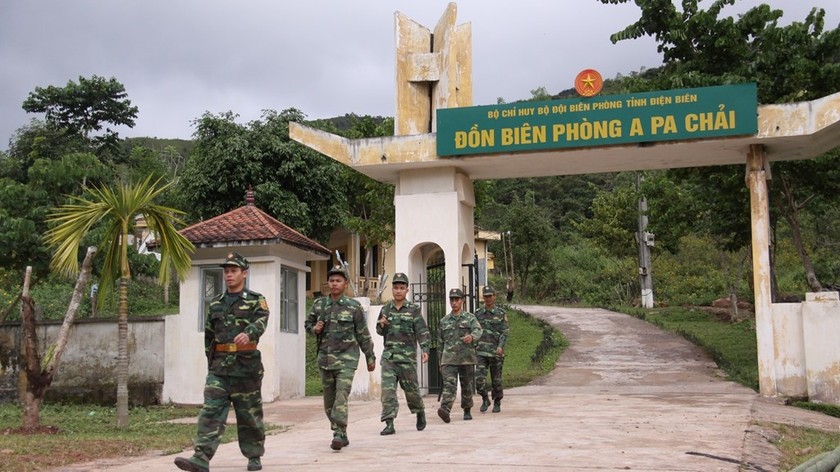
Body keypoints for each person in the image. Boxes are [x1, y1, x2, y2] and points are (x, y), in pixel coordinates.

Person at [175, 252, 268, 472]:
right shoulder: (216, 303)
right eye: (226, 271)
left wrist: (249, 333)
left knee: (249, 414)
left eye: (234, 271)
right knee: (211, 411)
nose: (229, 275)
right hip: (219, 368)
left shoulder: (256, 300)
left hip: (246, 368)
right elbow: (209, 336)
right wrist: (212, 363)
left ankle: (254, 456)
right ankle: (201, 457)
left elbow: (262, 321)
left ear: (244, 273)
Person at [305, 265, 376, 451]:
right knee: (329, 402)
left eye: (338, 281)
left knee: (341, 396)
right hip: (325, 360)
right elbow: (308, 324)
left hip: (347, 359)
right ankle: (341, 432)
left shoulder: (353, 307)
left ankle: (337, 433)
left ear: (345, 284)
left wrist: (370, 357)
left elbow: (363, 334)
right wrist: (315, 329)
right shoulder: (319, 305)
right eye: (331, 281)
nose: (334, 284)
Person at [376, 272, 431, 435]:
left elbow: (422, 330)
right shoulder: (386, 308)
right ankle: (389, 422)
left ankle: (419, 411)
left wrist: (425, 349)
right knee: (388, 392)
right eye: (395, 288)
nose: (398, 291)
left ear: (407, 290)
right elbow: (379, 330)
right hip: (389, 358)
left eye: (401, 288)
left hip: (407, 358)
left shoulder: (413, 309)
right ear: (392, 289)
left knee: (412, 391)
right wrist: (383, 325)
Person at [436, 288, 482, 423]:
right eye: (452, 300)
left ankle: (467, 409)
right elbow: (440, 343)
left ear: (462, 301)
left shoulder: (470, 318)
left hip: (466, 357)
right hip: (449, 358)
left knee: (466, 384)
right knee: (449, 385)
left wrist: (472, 337)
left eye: (457, 299)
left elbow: (478, 331)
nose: (454, 302)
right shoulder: (444, 321)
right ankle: (445, 409)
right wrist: (440, 362)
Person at [474, 285, 509, 413]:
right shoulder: (478, 313)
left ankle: (497, 401)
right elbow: (474, 330)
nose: (488, 298)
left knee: (496, 380)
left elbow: (504, 332)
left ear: (494, 297)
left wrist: (500, 346)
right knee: (479, 380)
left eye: (490, 296)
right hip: (481, 351)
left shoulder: (500, 313)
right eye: (486, 296)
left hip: (495, 352)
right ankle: (484, 398)